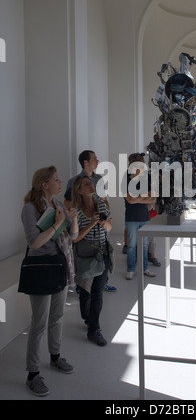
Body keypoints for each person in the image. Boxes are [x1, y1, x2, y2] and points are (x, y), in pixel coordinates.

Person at [21, 166, 78, 397]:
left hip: (59, 266)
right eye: (56, 179)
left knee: (57, 318)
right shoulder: (29, 209)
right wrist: (57, 223)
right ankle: (32, 374)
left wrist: (71, 220)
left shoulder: (57, 206)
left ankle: (55, 357)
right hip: (42, 269)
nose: (60, 182)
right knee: (39, 323)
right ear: (44, 184)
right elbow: (35, 243)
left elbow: (71, 237)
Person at [64, 150, 116, 292]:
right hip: (83, 228)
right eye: (95, 158)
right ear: (86, 162)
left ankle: (102, 283)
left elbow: (104, 200)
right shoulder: (73, 182)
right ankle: (83, 287)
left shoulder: (99, 179)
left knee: (103, 254)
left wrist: (108, 218)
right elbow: (68, 204)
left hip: (100, 226)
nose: (97, 161)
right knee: (85, 257)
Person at [71, 175, 112, 345]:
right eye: (86, 184)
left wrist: (104, 224)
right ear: (79, 191)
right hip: (85, 255)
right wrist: (90, 224)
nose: (91, 185)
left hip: (101, 254)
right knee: (85, 292)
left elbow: (109, 227)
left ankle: (94, 329)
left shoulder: (101, 204)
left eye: (91, 183)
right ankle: (88, 318)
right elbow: (75, 239)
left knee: (97, 292)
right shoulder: (76, 212)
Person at [124, 153, 156, 280]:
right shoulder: (125, 179)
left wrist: (136, 197)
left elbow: (152, 199)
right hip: (131, 218)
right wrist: (143, 197)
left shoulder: (146, 178)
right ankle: (130, 269)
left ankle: (145, 268)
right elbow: (130, 200)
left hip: (144, 217)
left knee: (143, 245)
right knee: (131, 245)